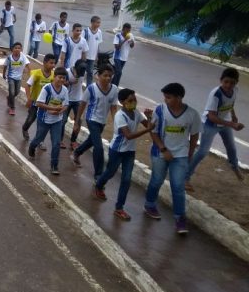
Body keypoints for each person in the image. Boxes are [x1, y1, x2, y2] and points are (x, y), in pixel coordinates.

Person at [144, 82, 201, 234]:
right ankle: (149, 204)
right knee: (156, 181)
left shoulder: (192, 114)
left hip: (180, 155)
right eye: (165, 97)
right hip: (160, 153)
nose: (165, 100)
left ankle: (180, 218)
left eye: (168, 97)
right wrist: (163, 149)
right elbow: (153, 132)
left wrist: (189, 153)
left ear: (179, 97)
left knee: (178, 187)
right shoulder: (160, 110)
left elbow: (194, 135)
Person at [94, 89, 153, 220]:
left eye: (134, 100)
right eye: (130, 100)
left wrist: (149, 117)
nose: (133, 102)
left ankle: (119, 208)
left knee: (126, 179)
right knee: (110, 172)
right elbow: (128, 135)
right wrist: (148, 129)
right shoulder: (120, 116)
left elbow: (148, 125)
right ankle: (99, 185)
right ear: (122, 102)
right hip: (117, 150)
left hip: (130, 152)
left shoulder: (137, 113)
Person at [187, 68, 244, 186]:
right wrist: (232, 124)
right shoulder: (216, 94)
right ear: (221, 80)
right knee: (203, 152)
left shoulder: (235, 90)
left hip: (225, 122)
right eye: (226, 82)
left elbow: (231, 103)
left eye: (232, 83)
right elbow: (211, 116)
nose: (228, 85)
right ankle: (185, 177)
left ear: (236, 83)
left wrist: (233, 115)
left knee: (232, 149)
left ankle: (235, 167)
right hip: (210, 124)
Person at [72, 65, 119, 178]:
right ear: (98, 76)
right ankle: (98, 175)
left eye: (110, 76)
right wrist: (77, 121)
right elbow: (82, 104)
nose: (108, 78)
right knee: (98, 147)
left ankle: (77, 152)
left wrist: (117, 123)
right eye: (105, 75)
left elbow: (113, 107)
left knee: (91, 141)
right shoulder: (91, 88)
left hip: (102, 122)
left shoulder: (114, 89)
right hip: (92, 119)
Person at [28, 67, 70, 175]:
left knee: (56, 143)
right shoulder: (47, 89)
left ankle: (54, 166)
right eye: (59, 77)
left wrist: (60, 111)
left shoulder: (65, 90)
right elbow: (38, 103)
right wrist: (52, 109)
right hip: (44, 119)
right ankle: (32, 146)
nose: (61, 80)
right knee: (39, 139)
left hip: (57, 121)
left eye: (64, 78)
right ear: (54, 77)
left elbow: (66, 104)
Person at [22, 54, 56, 142]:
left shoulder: (53, 75)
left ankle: (40, 141)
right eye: (51, 63)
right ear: (44, 63)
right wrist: (29, 99)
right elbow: (27, 86)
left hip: (45, 104)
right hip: (35, 102)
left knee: (42, 123)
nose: (53, 65)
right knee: (31, 119)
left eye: (54, 63)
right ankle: (25, 128)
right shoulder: (36, 74)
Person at [63, 60, 87, 150]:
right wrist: (70, 82)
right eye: (80, 71)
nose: (82, 73)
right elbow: (62, 84)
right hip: (67, 99)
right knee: (63, 120)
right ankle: (60, 140)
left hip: (78, 100)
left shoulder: (83, 73)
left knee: (79, 121)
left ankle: (73, 141)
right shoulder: (67, 72)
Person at [3, 42, 30, 116]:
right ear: (12, 49)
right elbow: (5, 66)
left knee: (17, 92)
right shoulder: (9, 58)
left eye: (19, 48)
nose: (17, 49)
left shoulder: (23, 57)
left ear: (21, 49)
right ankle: (12, 108)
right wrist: (4, 74)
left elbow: (27, 64)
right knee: (12, 92)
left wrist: (29, 72)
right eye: (16, 48)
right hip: (10, 77)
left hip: (19, 78)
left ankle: (9, 98)